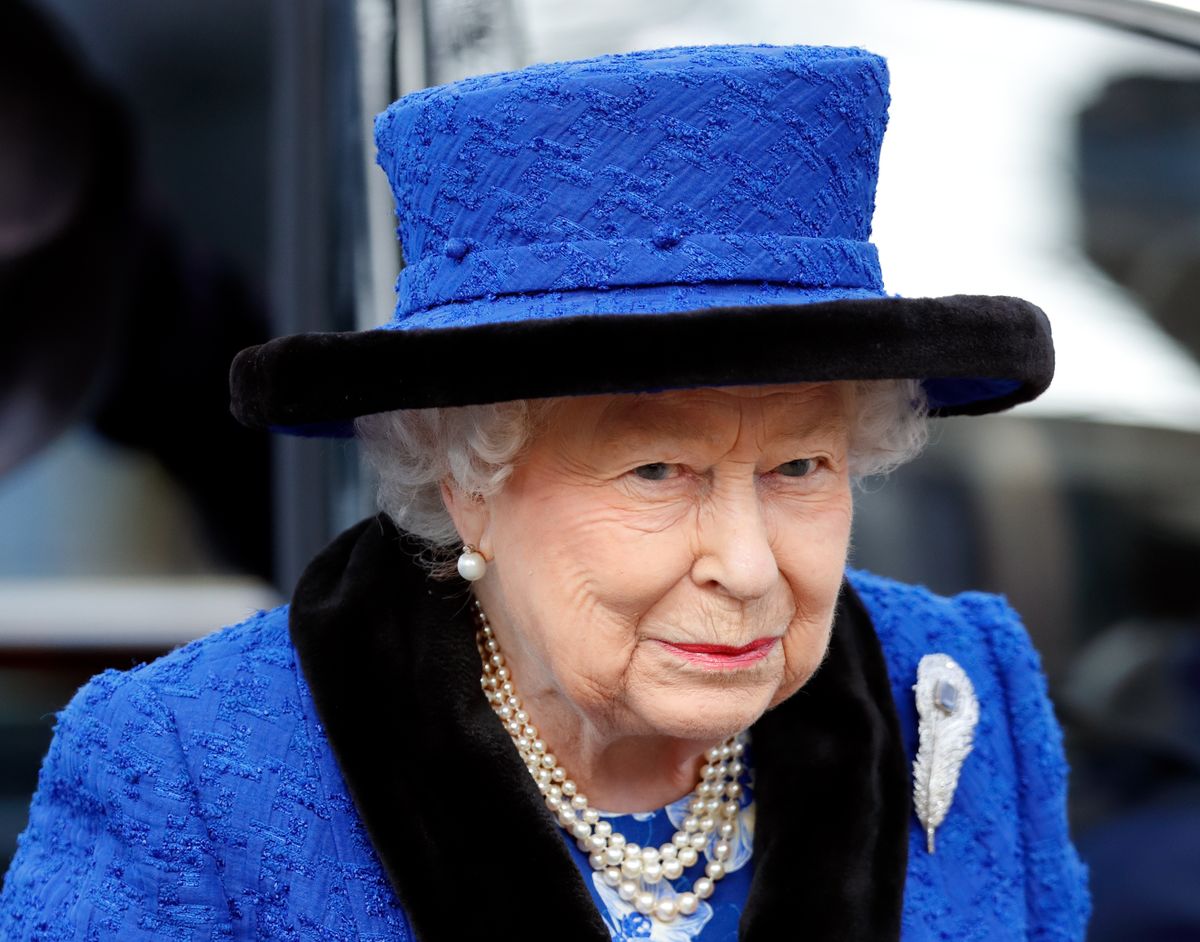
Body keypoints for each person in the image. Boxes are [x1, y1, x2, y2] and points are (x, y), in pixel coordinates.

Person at [0, 44, 1090, 940]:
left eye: (800, 466)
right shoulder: (185, 767)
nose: (750, 568)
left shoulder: (951, 687)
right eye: (659, 471)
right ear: (467, 482)